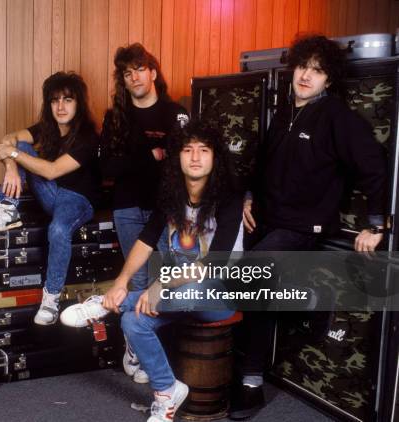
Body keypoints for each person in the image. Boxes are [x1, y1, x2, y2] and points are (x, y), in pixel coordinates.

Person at [232, 35, 388, 420]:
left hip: (305, 226)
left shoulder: (336, 117)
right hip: (267, 220)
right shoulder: (284, 112)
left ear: (328, 79)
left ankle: (255, 378)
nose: (307, 75)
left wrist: (375, 224)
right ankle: (251, 379)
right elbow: (262, 164)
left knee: (246, 278)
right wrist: (249, 196)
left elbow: (374, 166)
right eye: (303, 66)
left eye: (317, 71)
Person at [61, 122, 244, 422]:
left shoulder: (230, 199)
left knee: (194, 289)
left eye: (204, 150)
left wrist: (160, 285)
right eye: (188, 150)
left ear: (215, 158)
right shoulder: (172, 195)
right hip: (176, 294)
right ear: (178, 158)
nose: (195, 157)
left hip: (218, 295)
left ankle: (106, 307)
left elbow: (214, 264)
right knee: (133, 323)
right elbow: (146, 240)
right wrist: (120, 282)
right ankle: (167, 391)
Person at [100, 43, 189, 384]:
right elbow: (108, 166)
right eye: (127, 73)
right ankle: (135, 346)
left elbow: (185, 163)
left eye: (139, 69)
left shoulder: (175, 113)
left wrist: (136, 160)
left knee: (165, 276)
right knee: (136, 277)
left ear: (153, 72)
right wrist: (150, 157)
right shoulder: (116, 117)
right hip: (126, 205)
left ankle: (158, 347)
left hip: (166, 207)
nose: (134, 76)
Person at [0, 71, 99, 326]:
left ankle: (51, 299)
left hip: (78, 200)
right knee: (22, 148)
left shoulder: (88, 137)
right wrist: (11, 167)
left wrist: (13, 154)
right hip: (52, 193)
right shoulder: (45, 129)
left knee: (58, 229)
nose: (60, 106)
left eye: (67, 100)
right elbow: (8, 139)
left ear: (78, 103)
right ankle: (7, 207)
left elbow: (51, 170)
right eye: (54, 100)